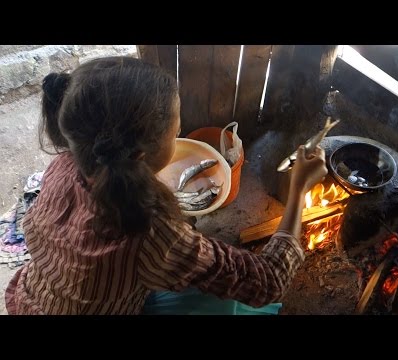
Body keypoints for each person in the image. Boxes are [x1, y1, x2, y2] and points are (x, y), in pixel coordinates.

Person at [5, 56, 328, 315]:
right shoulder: (150, 234)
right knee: (227, 304)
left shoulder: (64, 165)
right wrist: (298, 189)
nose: (178, 136)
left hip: (35, 298)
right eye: (175, 133)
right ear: (141, 155)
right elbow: (267, 282)